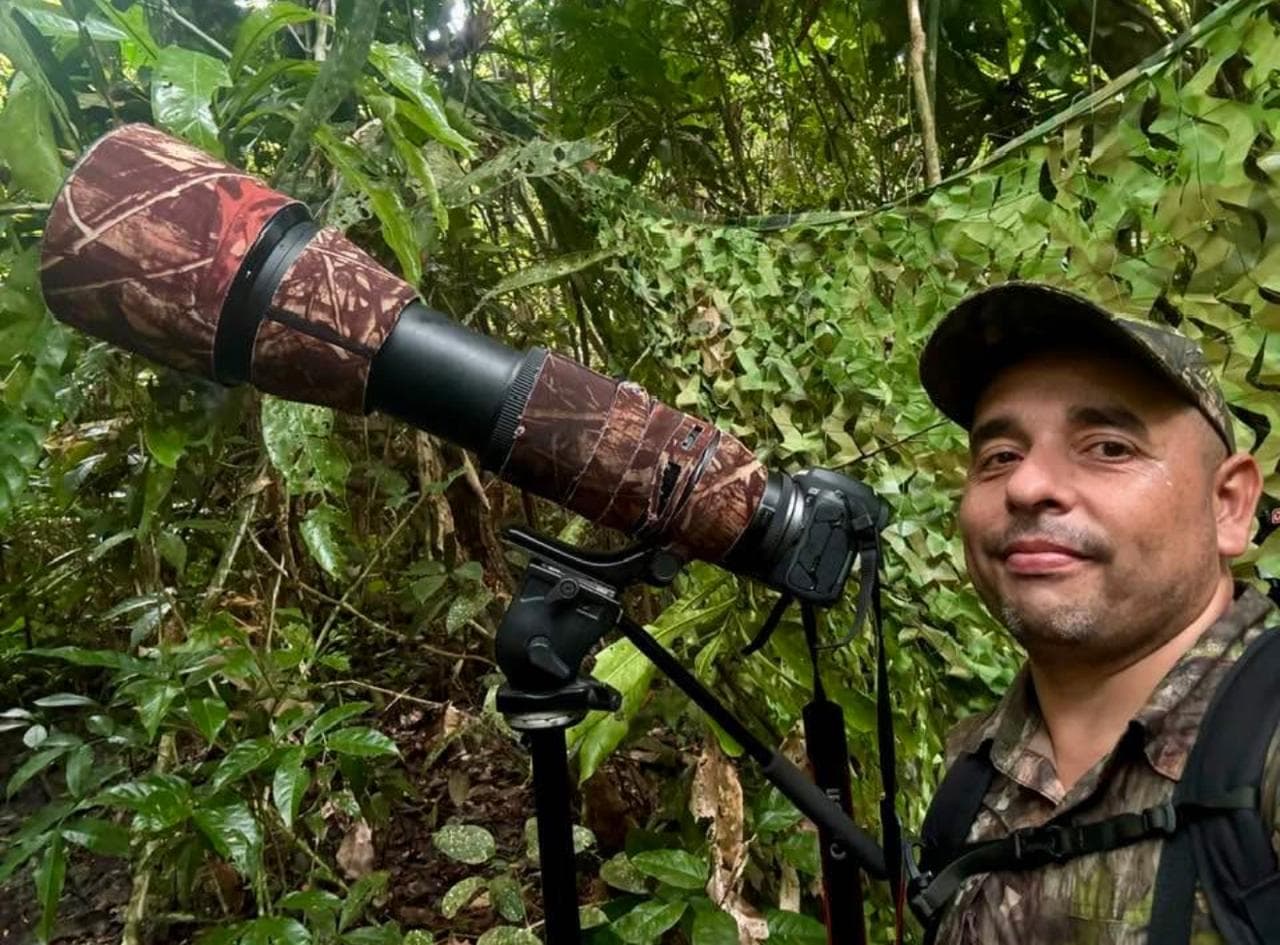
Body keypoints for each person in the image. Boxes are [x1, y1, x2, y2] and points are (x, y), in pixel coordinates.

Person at [913, 282, 1274, 943]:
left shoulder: (1266, 759)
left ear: (1229, 505)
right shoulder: (968, 781)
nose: (1027, 486)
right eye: (1000, 456)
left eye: (1108, 447)